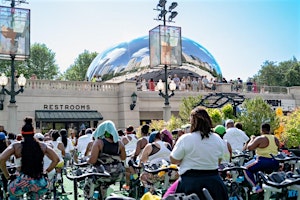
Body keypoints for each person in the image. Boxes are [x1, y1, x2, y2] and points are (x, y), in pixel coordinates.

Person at [165, 106, 228, 200]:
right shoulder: (217, 138)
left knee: (166, 197)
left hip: (190, 183)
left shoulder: (186, 138)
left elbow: (174, 160)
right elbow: (218, 161)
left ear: (192, 122)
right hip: (214, 182)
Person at [0, 117, 59, 200]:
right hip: (40, 181)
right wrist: (46, 172)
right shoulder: (42, 146)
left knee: (12, 193)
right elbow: (56, 159)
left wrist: (7, 176)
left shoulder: (16, 146)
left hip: (21, 180)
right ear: (33, 133)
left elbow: (1, 159)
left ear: (22, 133)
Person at [87, 120, 126, 199]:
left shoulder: (98, 142)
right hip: (117, 174)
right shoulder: (120, 143)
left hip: (102, 174)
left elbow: (93, 160)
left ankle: (88, 197)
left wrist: (87, 160)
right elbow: (123, 158)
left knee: (89, 180)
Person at [243, 123, 280, 193]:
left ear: (261, 130)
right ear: (270, 130)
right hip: (275, 162)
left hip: (263, 161)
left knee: (245, 168)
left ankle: (256, 187)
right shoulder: (275, 138)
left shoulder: (261, 138)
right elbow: (278, 148)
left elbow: (249, 148)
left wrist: (252, 139)